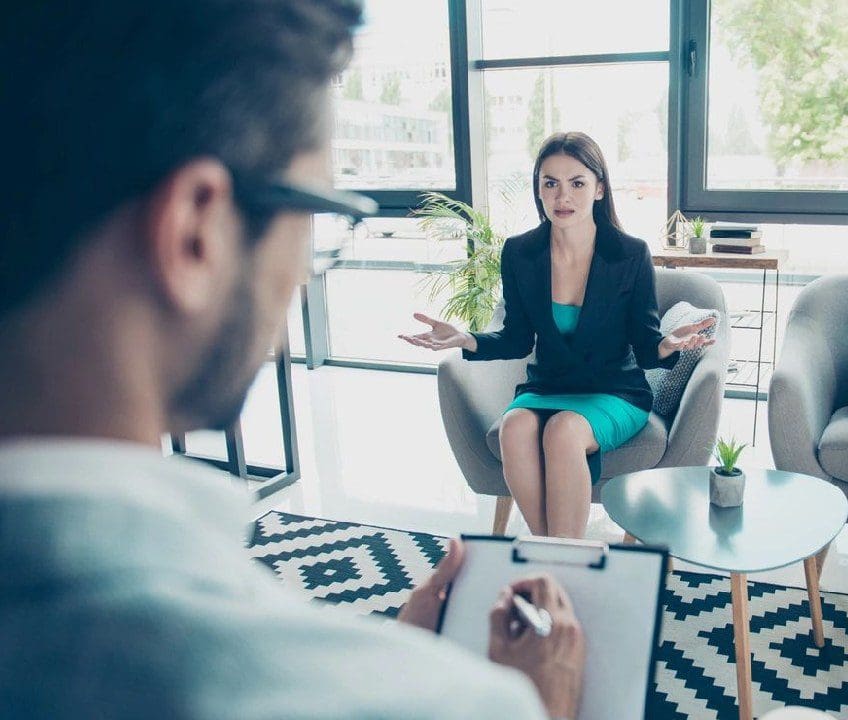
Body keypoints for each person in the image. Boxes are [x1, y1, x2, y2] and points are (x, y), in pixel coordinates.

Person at [0, 2, 586, 718]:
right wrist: (543, 704)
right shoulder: (461, 702)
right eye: (315, 210)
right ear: (196, 232)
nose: (305, 268)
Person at [401, 132, 715, 539]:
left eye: (577, 183)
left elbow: (645, 340)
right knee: (513, 429)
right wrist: (466, 339)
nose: (562, 196)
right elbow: (516, 339)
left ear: (600, 188)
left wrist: (668, 345)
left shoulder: (628, 253)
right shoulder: (519, 252)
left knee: (564, 430)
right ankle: (557, 553)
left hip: (615, 391)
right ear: (539, 188)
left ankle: (557, 560)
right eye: (550, 183)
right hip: (547, 386)